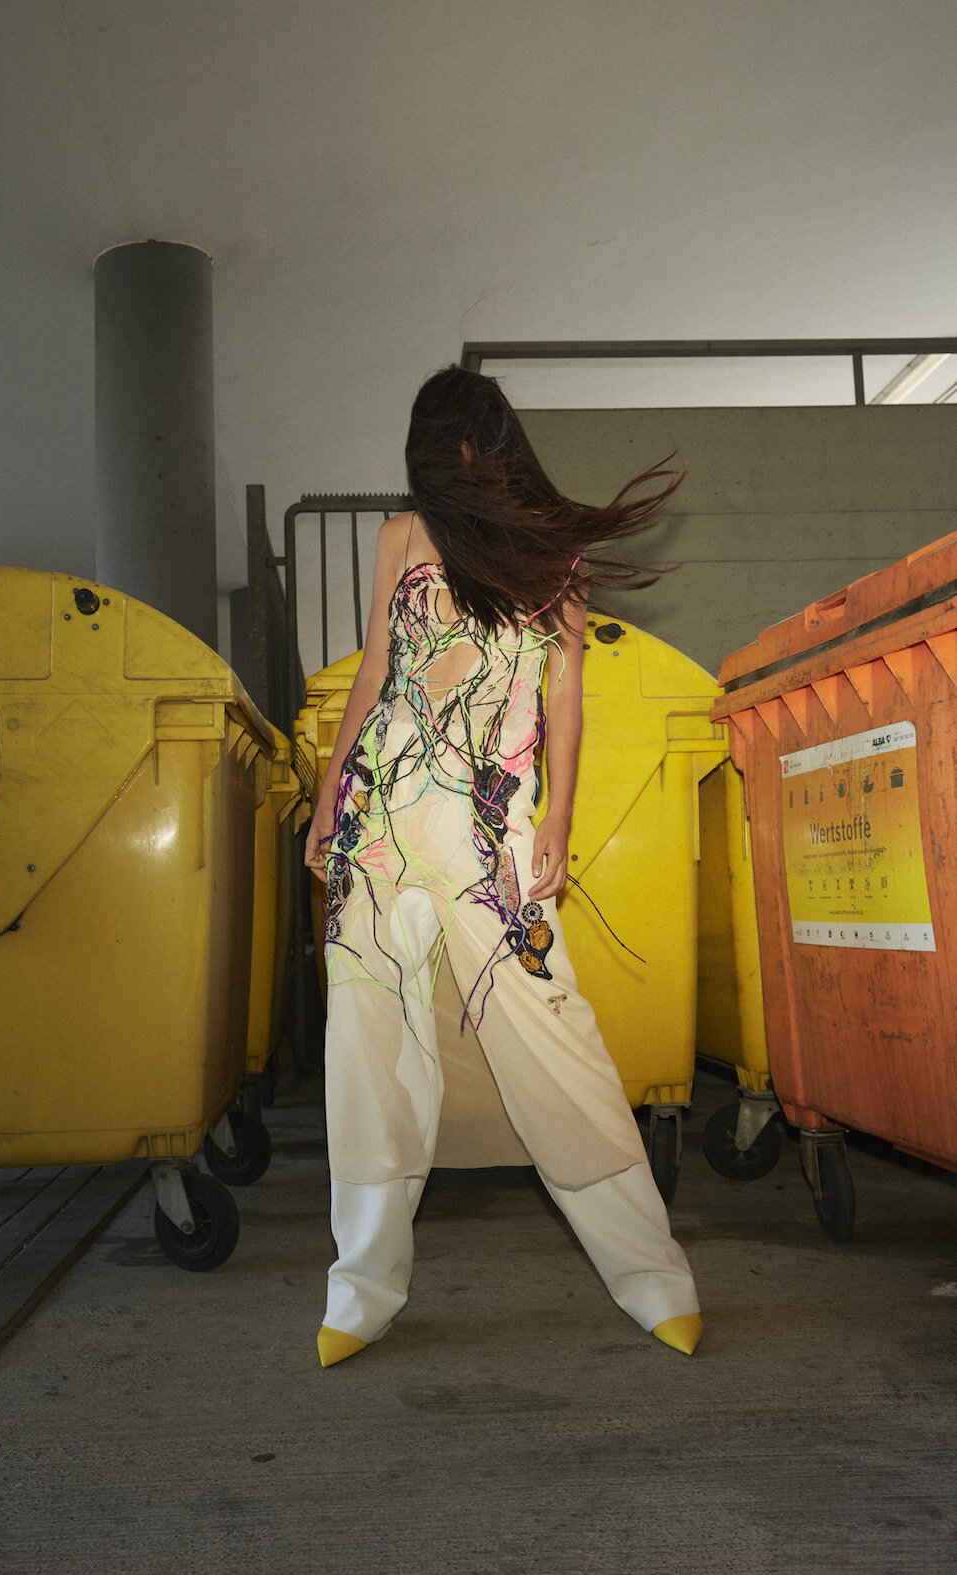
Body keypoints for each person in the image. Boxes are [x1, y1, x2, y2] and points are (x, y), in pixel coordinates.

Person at [304, 365, 702, 1367]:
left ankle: (652, 1277)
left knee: (554, 1034)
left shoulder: (549, 548)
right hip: (380, 825)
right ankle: (360, 1291)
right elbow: (375, 671)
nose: (449, 462)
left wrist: (559, 810)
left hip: (491, 832)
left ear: (477, 443)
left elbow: (565, 689)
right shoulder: (401, 535)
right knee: (365, 1046)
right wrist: (328, 794)